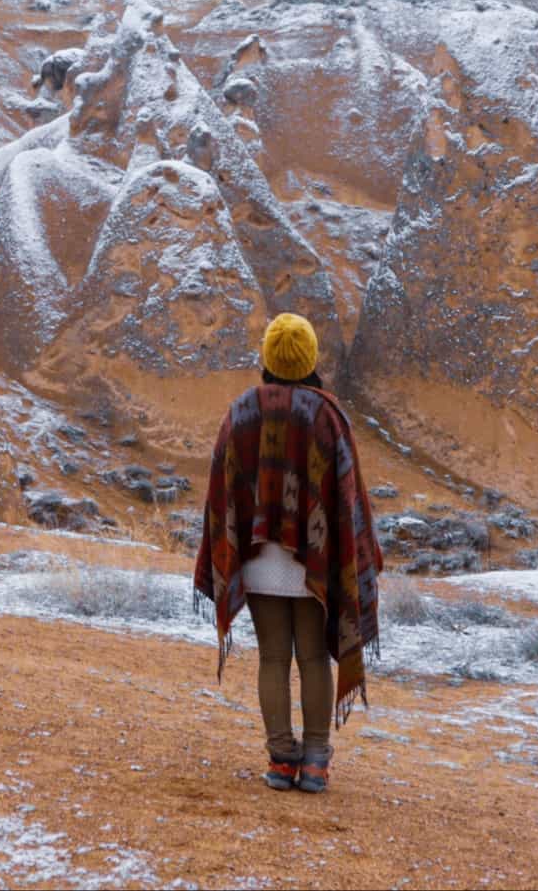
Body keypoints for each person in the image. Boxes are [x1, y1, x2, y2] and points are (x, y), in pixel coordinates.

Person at [193, 312, 383, 794]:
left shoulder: (241, 410)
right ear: (310, 358)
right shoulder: (326, 414)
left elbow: (221, 485)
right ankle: (316, 761)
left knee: (273, 660)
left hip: (258, 562)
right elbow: (347, 497)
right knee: (315, 660)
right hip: (313, 561)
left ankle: (281, 760)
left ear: (269, 357)